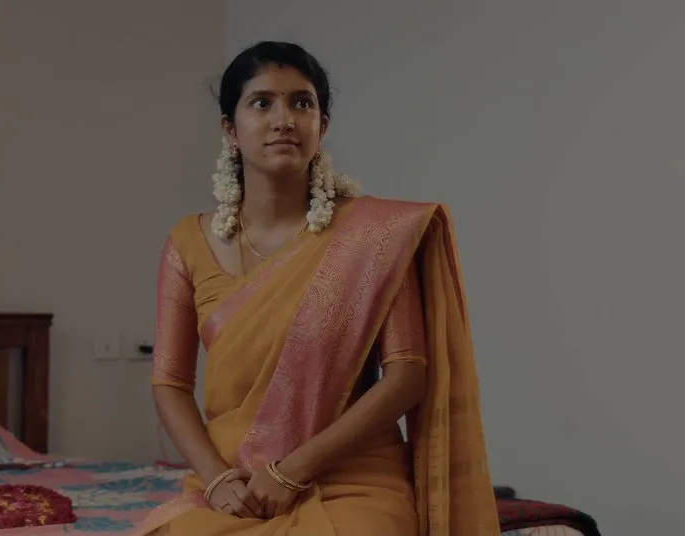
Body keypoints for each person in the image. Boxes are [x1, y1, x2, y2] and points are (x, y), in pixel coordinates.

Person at [133, 41, 502, 536]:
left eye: (301, 103)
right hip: (237, 481)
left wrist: (293, 470)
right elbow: (171, 384)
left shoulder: (373, 237)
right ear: (230, 129)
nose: (284, 119)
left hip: (353, 476)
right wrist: (216, 478)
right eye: (261, 103)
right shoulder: (187, 242)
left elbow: (406, 376)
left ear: (321, 126)